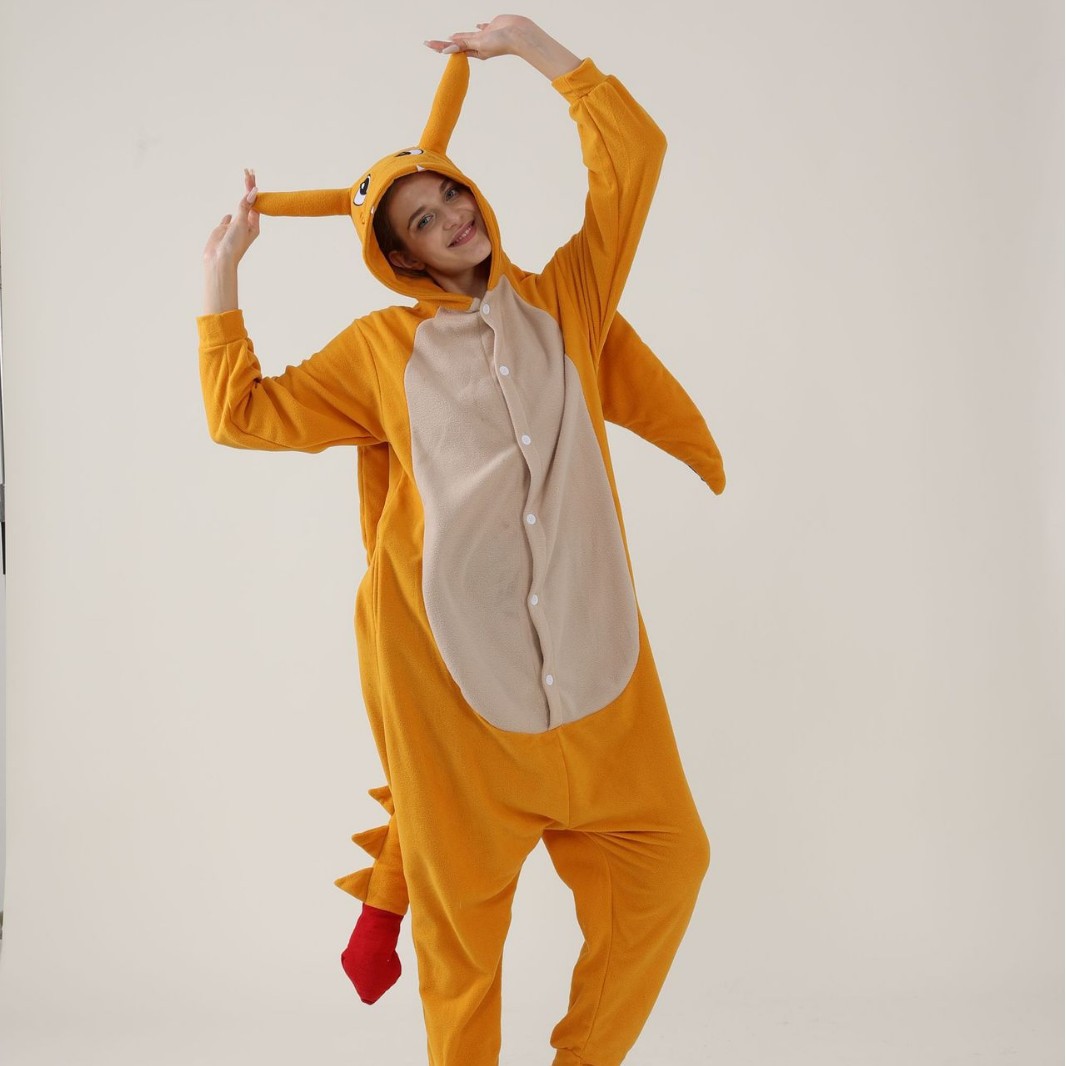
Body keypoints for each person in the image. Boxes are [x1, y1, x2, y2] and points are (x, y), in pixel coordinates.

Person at [199, 16, 725, 1065]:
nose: (452, 219)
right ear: (396, 255)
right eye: (423, 219)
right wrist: (224, 274)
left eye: (453, 196)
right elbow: (241, 414)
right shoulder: (378, 352)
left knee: (670, 863)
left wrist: (535, 48)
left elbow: (635, 159)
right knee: (464, 951)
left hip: (602, 682)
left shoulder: (566, 303)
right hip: (455, 697)